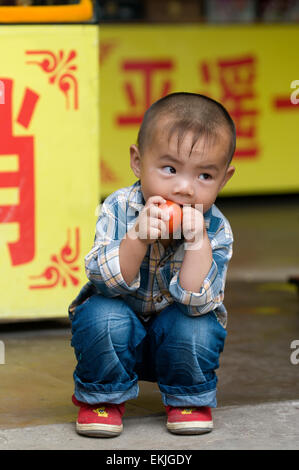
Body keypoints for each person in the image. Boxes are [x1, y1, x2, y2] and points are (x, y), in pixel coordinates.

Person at [69, 92, 236, 437]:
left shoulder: (216, 228)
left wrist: (198, 244)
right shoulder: (119, 207)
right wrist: (138, 238)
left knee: (198, 325)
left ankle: (187, 398)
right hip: (117, 338)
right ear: (137, 161)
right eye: (170, 169)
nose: (185, 188)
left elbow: (198, 301)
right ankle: (103, 397)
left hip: (175, 343)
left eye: (205, 176)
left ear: (224, 179)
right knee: (101, 311)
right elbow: (104, 280)